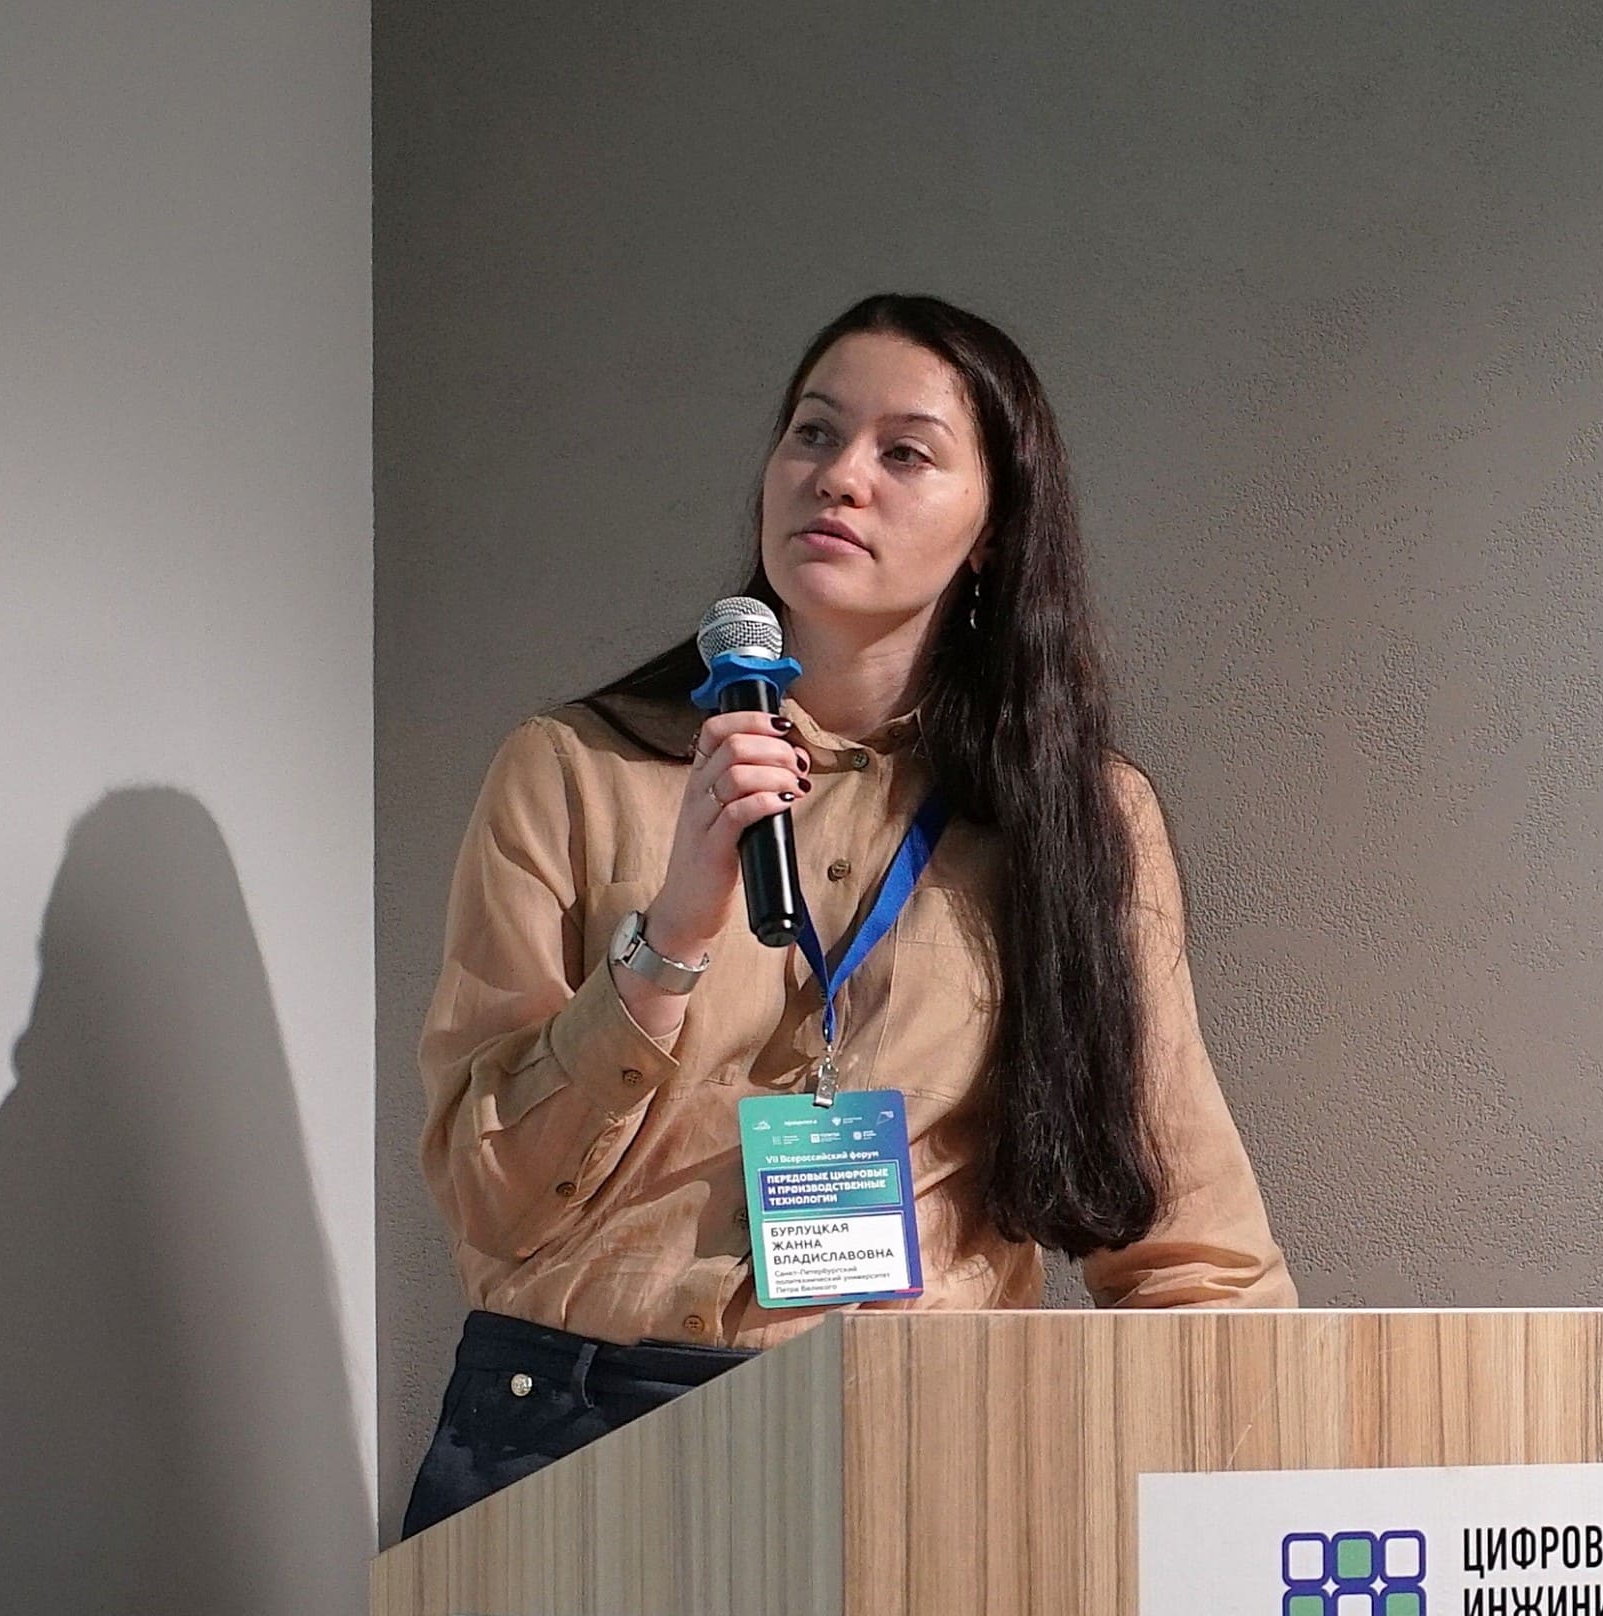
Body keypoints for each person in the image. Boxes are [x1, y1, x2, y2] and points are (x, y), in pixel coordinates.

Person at [400, 292, 1290, 1542]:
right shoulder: (575, 770)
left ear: (991, 530)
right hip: (570, 1431)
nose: (839, 477)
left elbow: (1185, 1246)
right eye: (812, 434)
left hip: (917, 1447)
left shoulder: (1075, 819)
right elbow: (487, 1195)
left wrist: (1243, 1506)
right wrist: (670, 936)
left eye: (904, 452)